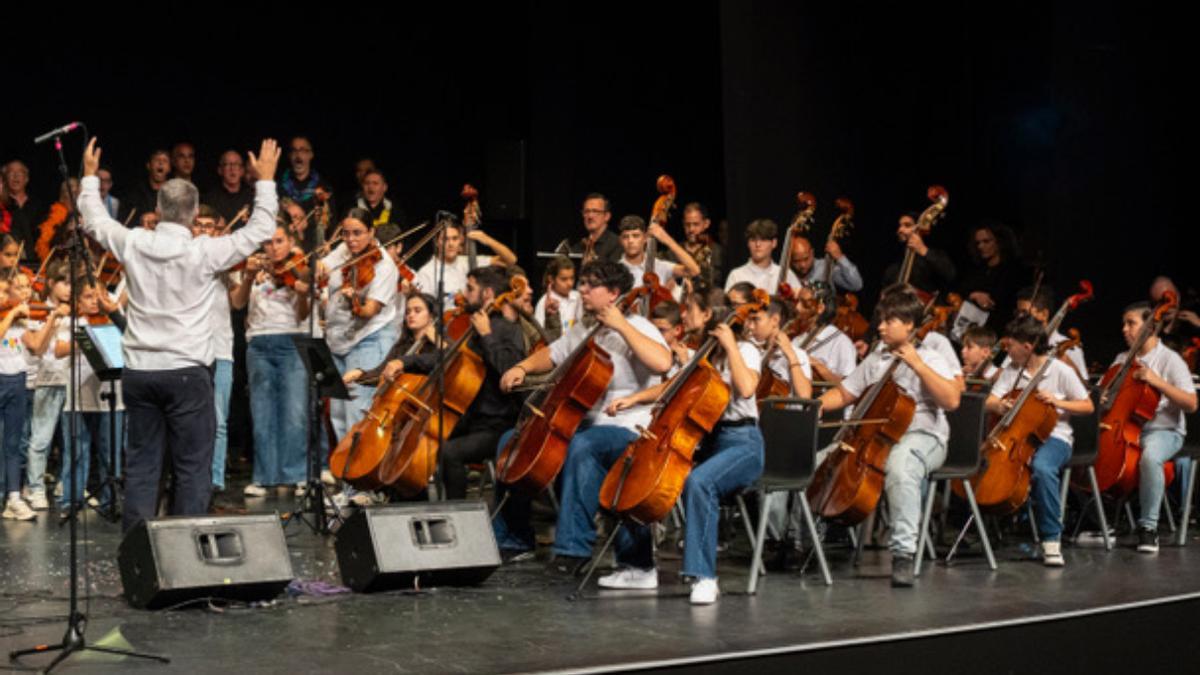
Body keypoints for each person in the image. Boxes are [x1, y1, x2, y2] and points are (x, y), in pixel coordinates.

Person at [77, 137, 282, 532]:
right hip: (187, 373)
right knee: (191, 467)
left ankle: (137, 551)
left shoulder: (134, 242)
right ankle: (186, 554)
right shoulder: (204, 251)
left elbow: (96, 222)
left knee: (141, 465)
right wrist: (266, 181)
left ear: (157, 209)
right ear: (191, 215)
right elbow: (259, 229)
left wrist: (89, 179)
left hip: (139, 371)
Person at [493, 260, 672, 567]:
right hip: (584, 424)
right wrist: (522, 367)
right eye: (582, 283)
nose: (582, 290)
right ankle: (514, 538)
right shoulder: (587, 329)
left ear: (614, 293)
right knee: (512, 441)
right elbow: (552, 353)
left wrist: (622, 326)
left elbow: (663, 363)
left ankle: (573, 549)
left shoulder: (640, 327)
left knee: (583, 447)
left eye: (591, 285)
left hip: (629, 427)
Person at [596, 294, 765, 604]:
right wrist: (633, 400)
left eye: (691, 312)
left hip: (743, 442)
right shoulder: (703, 354)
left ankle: (704, 578)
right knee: (639, 471)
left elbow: (746, 388)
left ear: (710, 315)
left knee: (700, 481)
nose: (684, 318)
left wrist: (729, 347)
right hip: (709, 442)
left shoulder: (746, 351)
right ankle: (638, 565)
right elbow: (671, 386)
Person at [814, 288, 960, 586]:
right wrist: (818, 405)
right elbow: (845, 392)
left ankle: (903, 554)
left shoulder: (931, 357)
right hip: (878, 436)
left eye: (888, 321)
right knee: (819, 463)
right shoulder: (877, 357)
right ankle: (800, 543)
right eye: (880, 320)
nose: (879, 327)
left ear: (909, 325)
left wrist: (917, 364)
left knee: (901, 466)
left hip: (924, 436)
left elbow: (952, 401)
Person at [355, 267, 523, 500]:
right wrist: (404, 362)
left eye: (471, 289)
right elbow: (447, 358)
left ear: (487, 294)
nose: (465, 294)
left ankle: (459, 515)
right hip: (471, 418)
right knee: (418, 439)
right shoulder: (476, 327)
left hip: (497, 423)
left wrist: (487, 336)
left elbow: (510, 370)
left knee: (449, 453)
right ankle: (410, 502)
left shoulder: (507, 329)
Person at [986, 315, 1093, 566]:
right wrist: (1000, 405)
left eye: (1010, 345)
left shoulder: (1061, 370)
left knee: (1043, 468)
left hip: (1056, 438)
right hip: (1016, 437)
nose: (1006, 349)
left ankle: (1051, 539)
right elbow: (989, 400)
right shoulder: (1011, 370)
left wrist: (1058, 402)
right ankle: (987, 530)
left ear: (1027, 347)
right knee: (987, 464)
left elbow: (1087, 405)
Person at [1106, 301, 1198, 553]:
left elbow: (1191, 403)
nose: (1125, 329)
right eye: (1124, 324)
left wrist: (1157, 381)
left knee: (1149, 459)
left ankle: (1148, 528)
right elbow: (1110, 399)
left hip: (1165, 431)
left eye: (1131, 323)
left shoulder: (1170, 359)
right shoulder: (1122, 359)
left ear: (1151, 327)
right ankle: (1100, 521)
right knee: (1092, 455)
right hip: (1126, 429)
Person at [231, 225, 312, 497]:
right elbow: (238, 304)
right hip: (259, 342)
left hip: (291, 340)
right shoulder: (252, 268)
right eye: (268, 242)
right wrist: (248, 277)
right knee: (262, 412)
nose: (273, 247)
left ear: (290, 242)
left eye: (279, 241)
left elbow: (303, 316)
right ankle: (265, 477)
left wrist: (302, 294)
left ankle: (296, 474)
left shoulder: (299, 269)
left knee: (295, 412)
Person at [54, 278, 127, 517]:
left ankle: (110, 501)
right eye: (87, 297)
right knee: (77, 452)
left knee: (110, 454)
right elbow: (58, 350)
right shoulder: (71, 322)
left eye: (98, 296)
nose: (94, 302)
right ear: (77, 300)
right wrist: (83, 340)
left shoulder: (115, 320)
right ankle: (71, 502)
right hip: (79, 397)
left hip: (111, 398)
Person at [192, 206, 238, 494]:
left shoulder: (225, 264)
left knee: (219, 420)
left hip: (221, 350)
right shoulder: (185, 259)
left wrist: (243, 278)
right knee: (191, 421)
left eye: (210, 226)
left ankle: (216, 479)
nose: (204, 230)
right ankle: (193, 476)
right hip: (192, 351)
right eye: (199, 225)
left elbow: (239, 303)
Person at [23, 267, 72, 510]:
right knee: (41, 439)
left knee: (70, 441)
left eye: (72, 284)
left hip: (72, 380)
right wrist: (54, 318)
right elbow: (39, 348)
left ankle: (67, 483)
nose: (68, 288)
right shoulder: (37, 311)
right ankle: (35, 488)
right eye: (63, 283)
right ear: (51, 283)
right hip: (48, 380)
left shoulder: (79, 310)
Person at [412, 216, 517, 308]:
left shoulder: (468, 261)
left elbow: (511, 260)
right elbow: (426, 308)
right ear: (437, 242)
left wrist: (487, 240)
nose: (451, 244)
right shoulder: (427, 272)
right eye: (445, 239)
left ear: (461, 240)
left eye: (455, 239)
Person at [957, 222, 1028, 332]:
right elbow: (961, 290)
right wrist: (974, 295)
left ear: (1000, 242)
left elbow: (1004, 299)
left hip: (997, 328)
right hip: (970, 326)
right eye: (978, 243)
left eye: (986, 241)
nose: (981, 246)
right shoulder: (977, 269)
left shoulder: (1013, 271)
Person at [616, 214, 699, 292]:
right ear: (620, 240)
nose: (630, 241)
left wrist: (666, 239)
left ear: (645, 238)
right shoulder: (615, 270)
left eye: (636, 236)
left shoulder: (659, 266)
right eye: (626, 237)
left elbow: (694, 270)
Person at [881, 212, 956, 298]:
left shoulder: (934, 254)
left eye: (907, 225)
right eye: (900, 226)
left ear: (920, 227)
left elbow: (950, 274)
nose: (900, 230)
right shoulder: (895, 265)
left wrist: (922, 249)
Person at [782, 234, 863, 293]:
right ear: (790, 260)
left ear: (812, 253)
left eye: (806, 259)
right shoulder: (786, 273)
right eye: (797, 261)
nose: (803, 265)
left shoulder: (825, 267)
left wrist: (840, 257)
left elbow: (856, 285)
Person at [2, 161, 45, 265]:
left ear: (26, 179)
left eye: (20, 172)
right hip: (7, 262)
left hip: (35, 262)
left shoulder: (38, 205)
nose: (16, 176)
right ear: (4, 179)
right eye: (11, 172)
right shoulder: (2, 204)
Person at [724, 219, 782, 294]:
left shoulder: (784, 273)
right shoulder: (736, 276)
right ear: (748, 244)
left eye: (763, 239)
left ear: (774, 243)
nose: (758, 244)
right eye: (753, 240)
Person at [534, 255, 581, 343]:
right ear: (551, 279)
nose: (570, 283)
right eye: (564, 279)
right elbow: (540, 337)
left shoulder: (578, 296)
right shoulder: (544, 303)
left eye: (572, 278)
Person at [204, 150, 255, 226]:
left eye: (236, 164)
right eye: (227, 164)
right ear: (220, 170)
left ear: (242, 171)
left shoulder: (252, 197)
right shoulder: (209, 199)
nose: (232, 168)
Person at [126, 149, 171, 229]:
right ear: (148, 165)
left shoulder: (175, 195)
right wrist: (141, 220)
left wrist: (158, 219)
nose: (160, 163)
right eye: (156, 159)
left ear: (169, 168)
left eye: (165, 160)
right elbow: (125, 223)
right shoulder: (135, 194)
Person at [571, 193, 622, 264]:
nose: (590, 216)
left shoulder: (618, 244)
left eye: (595, 211)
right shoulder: (578, 247)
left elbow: (614, 273)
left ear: (607, 216)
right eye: (586, 211)